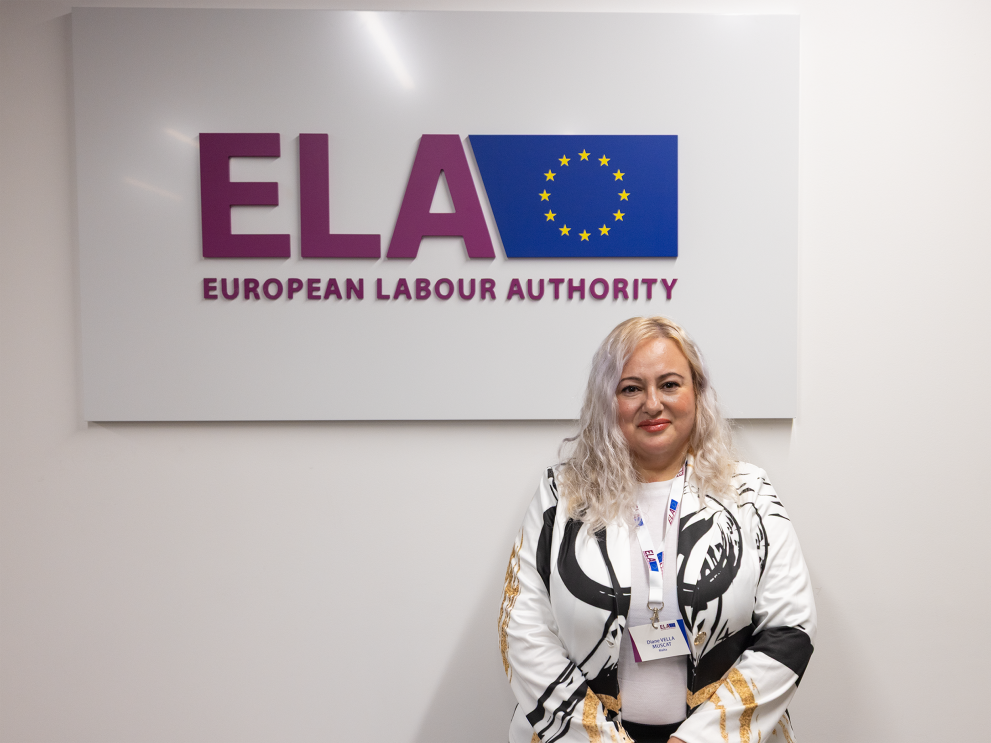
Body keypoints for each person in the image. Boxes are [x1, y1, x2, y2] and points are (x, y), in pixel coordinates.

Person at [498, 317, 816, 743]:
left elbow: (790, 628)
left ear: (697, 394)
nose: (652, 403)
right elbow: (521, 631)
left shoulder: (749, 493)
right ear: (606, 400)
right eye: (631, 388)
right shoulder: (561, 493)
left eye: (669, 384)